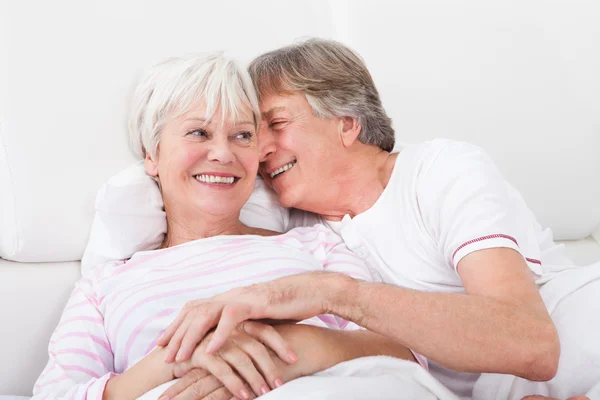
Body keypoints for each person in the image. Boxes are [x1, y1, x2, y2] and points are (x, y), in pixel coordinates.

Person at [158, 39, 600, 400]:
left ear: (347, 124)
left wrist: (335, 294)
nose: (262, 148)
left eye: (277, 124)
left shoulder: (439, 169)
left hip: (577, 338)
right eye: (255, 133)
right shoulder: (295, 230)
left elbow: (530, 344)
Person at [32, 53, 421, 400]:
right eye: (198, 132)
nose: (223, 153)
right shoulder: (104, 287)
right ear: (152, 154)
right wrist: (178, 359)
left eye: (242, 136)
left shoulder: (315, 245)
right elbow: (55, 394)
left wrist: (289, 347)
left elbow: (406, 353)